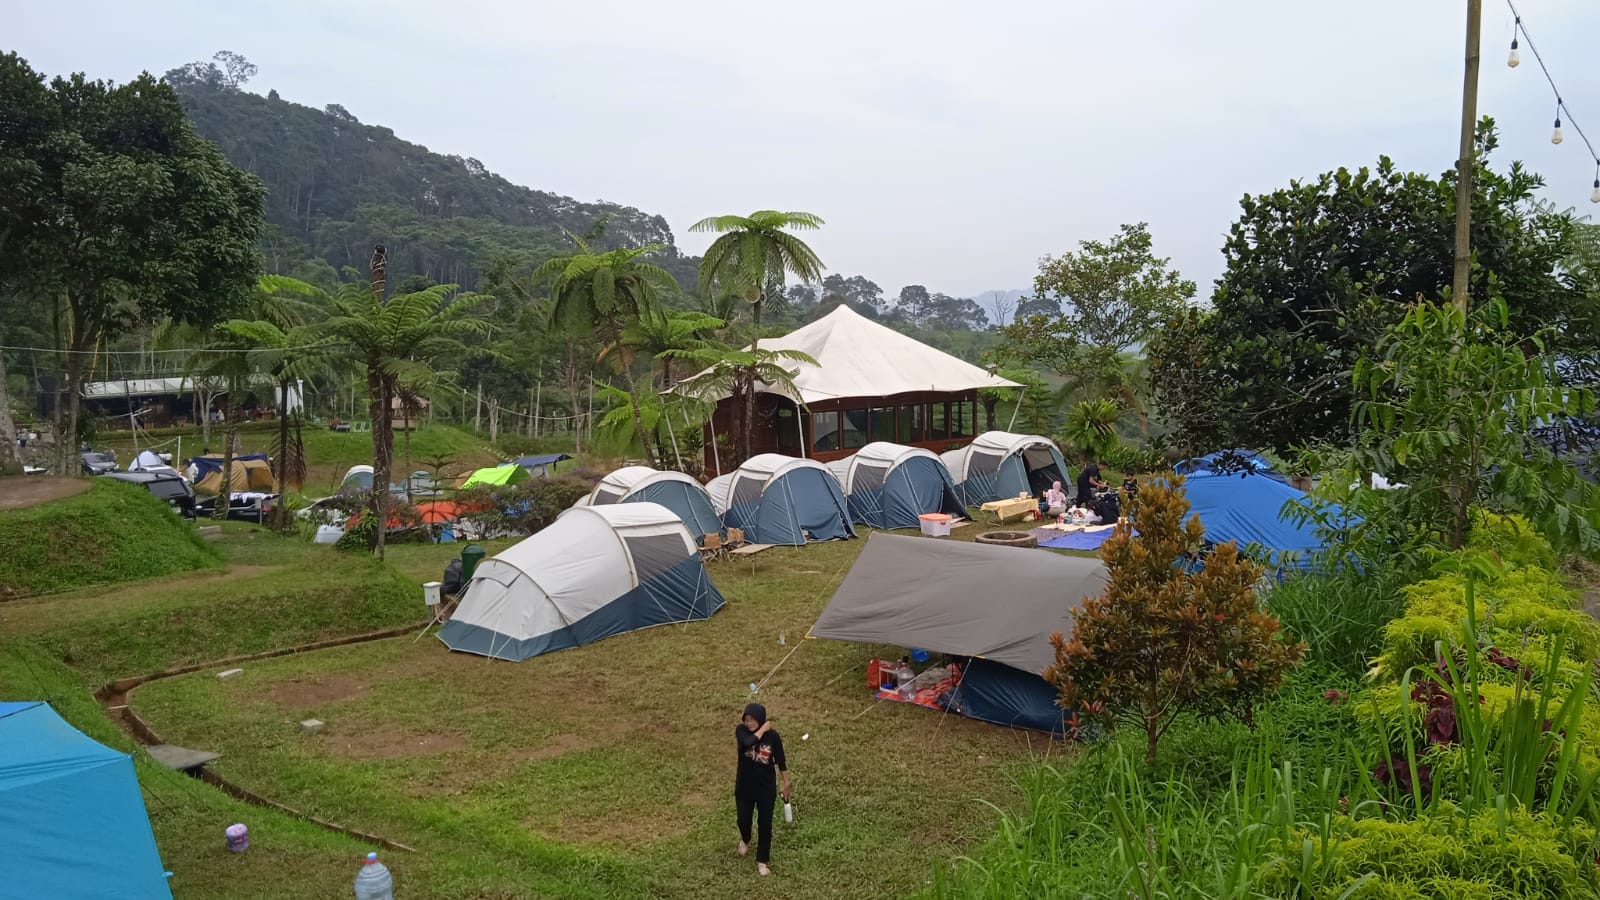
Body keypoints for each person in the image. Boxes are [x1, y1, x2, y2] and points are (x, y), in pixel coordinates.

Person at [734, 702, 790, 876]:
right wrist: (762, 730)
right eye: (746, 719)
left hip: (765, 789)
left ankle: (762, 861)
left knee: (765, 824)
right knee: (743, 820)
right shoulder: (741, 731)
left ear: (761, 719)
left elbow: (780, 760)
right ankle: (746, 838)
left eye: (752, 720)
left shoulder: (773, 737)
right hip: (744, 788)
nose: (748, 723)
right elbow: (748, 742)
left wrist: (786, 782)